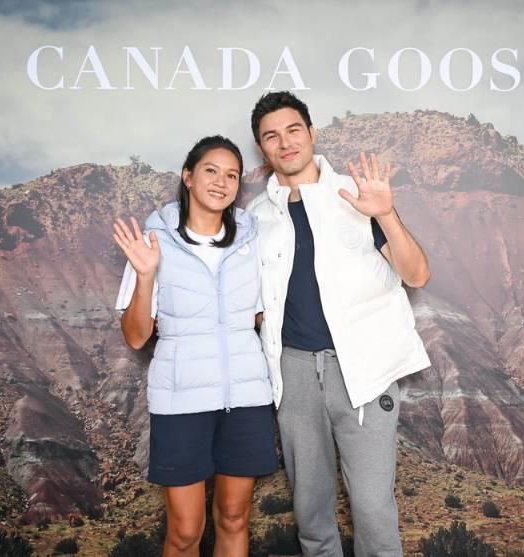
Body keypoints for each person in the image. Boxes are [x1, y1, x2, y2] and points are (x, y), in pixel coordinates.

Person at [246, 92, 431, 557]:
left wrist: (385, 213)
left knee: (372, 506)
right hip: (293, 372)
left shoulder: (358, 195)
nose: (285, 142)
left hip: (363, 371)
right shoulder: (255, 218)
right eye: (271, 136)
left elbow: (417, 274)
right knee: (310, 508)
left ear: (311, 133)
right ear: (262, 149)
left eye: (293, 130)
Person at [113, 135, 277, 557]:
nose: (221, 182)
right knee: (186, 531)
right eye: (210, 170)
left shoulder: (252, 240)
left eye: (232, 175)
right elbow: (135, 336)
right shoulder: (153, 242)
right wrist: (147, 276)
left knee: (235, 518)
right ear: (188, 177)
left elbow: (261, 315)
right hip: (181, 402)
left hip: (246, 398)